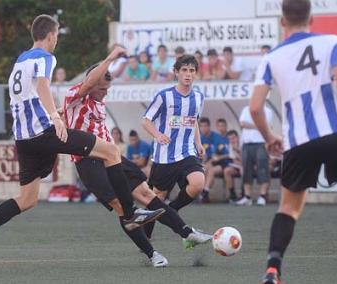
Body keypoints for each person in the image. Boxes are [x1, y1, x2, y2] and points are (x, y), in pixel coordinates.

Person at [0, 15, 164, 267]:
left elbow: (27, 96)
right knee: (111, 151)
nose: (56, 40)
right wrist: (55, 119)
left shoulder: (20, 60)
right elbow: (44, 85)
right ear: (50, 36)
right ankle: (132, 215)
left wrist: (52, 110)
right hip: (44, 132)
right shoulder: (46, 57)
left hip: (24, 138)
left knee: (27, 199)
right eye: (56, 35)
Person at [249, 1, 337, 283]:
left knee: (289, 208)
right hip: (334, 134)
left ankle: (272, 269)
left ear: (283, 22)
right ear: (312, 18)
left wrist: (270, 138)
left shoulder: (271, 57)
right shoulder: (332, 41)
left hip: (296, 141)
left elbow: (256, 108)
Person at [63, 63, 212, 267]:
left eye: (107, 89)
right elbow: (86, 86)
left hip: (113, 156)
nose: (105, 93)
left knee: (148, 195)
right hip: (89, 163)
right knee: (123, 209)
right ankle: (152, 254)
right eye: (102, 89)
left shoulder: (98, 101)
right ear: (90, 84)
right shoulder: (75, 95)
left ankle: (188, 233)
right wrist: (113, 57)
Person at [142, 55, 207, 240]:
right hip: (164, 156)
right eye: (184, 70)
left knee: (198, 183)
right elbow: (145, 121)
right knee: (156, 198)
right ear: (176, 72)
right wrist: (158, 135)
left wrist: (198, 143)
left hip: (187, 152)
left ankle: (172, 210)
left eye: (192, 70)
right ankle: (145, 238)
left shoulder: (199, 97)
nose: (188, 74)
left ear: (196, 74)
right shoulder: (164, 96)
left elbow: (193, 121)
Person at [236, 105, 272, 206]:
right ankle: (247, 197)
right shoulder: (245, 109)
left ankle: (263, 196)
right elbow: (242, 124)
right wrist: (257, 125)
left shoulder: (267, 110)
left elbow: (265, 125)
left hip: (261, 143)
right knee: (246, 170)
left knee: (263, 169)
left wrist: (253, 125)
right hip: (247, 144)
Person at [202, 118, 234, 203]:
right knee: (207, 169)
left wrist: (216, 158)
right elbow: (211, 154)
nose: (221, 128)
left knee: (208, 168)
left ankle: (204, 193)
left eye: (223, 126)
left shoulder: (226, 137)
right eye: (219, 126)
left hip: (227, 163)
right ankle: (204, 193)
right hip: (216, 163)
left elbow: (229, 154)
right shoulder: (202, 138)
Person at [223, 130, 242, 202]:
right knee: (227, 171)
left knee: (242, 170)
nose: (232, 140)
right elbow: (234, 160)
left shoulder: (243, 144)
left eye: (233, 138)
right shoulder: (231, 145)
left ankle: (243, 194)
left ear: (237, 137)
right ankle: (232, 194)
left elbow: (245, 161)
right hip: (237, 166)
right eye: (230, 139)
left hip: (247, 167)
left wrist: (237, 150)